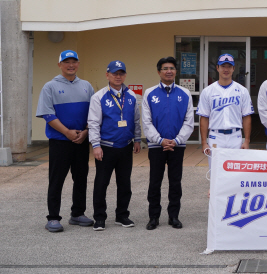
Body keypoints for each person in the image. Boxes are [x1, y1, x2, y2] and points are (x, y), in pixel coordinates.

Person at [36, 50, 95, 233]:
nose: (71, 65)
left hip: (81, 141)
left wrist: (85, 132)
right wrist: (67, 132)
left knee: (81, 179)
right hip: (60, 142)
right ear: (59, 64)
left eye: (74, 61)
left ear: (78, 64)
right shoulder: (50, 87)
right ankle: (53, 217)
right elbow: (47, 114)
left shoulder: (86, 86)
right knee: (56, 180)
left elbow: (94, 114)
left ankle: (77, 214)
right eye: (67, 61)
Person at [141, 56, 195, 231]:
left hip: (177, 146)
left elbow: (189, 121)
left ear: (176, 72)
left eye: (172, 68)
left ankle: (174, 216)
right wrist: (160, 140)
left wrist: (177, 140)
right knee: (155, 182)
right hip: (157, 146)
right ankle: (153, 217)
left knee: (175, 182)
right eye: (165, 68)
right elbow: (146, 122)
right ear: (159, 72)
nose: (169, 71)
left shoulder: (185, 93)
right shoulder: (149, 93)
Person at [88, 60, 141, 231]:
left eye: (121, 73)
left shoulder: (132, 96)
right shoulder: (99, 97)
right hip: (106, 147)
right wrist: (95, 145)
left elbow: (136, 120)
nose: (118, 76)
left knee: (125, 183)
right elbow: (94, 123)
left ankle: (122, 215)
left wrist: (138, 139)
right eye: (114, 73)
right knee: (102, 183)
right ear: (107, 75)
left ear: (125, 75)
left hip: (125, 146)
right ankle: (99, 218)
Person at [197, 54, 254, 160]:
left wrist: (246, 140)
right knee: (215, 171)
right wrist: (204, 142)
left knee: (235, 172)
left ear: (233, 68)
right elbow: (204, 118)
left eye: (229, 66)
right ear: (217, 68)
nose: (226, 69)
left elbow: (246, 117)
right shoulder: (208, 91)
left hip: (235, 136)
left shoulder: (242, 90)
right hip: (215, 136)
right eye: (223, 66)